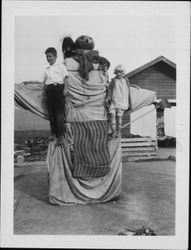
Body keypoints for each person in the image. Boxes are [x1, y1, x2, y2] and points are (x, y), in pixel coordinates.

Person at [41, 47, 69, 144]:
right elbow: (42, 81)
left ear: (55, 57)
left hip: (59, 90)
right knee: (52, 114)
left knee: (59, 114)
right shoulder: (47, 69)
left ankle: (61, 135)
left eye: (50, 56)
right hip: (50, 91)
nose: (49, 58)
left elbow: (66, 77)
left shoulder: (61, 66)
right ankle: (53, 134)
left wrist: (65, 89)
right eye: (47, 56)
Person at [107, 64, 131, 138]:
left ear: (123, 73)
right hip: (114, 100)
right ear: (115, 73)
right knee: (112, 116)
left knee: (119, 117)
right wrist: (108, 97)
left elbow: (128, 87)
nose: (119, 74)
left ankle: (118, 132)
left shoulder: (126, 80)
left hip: (122, 101)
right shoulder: (113, 80)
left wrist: (134, 86)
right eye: (117, 72)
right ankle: (114, 132)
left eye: (120, 72)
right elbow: (109, 89)